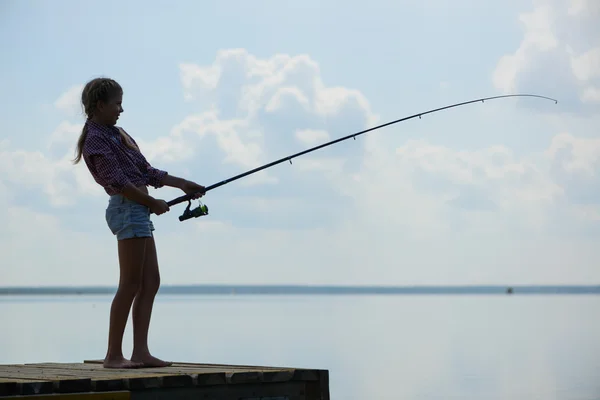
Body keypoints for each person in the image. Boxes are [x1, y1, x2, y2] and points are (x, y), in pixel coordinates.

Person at [72, 77, 206, 369]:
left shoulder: (117, 134)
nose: (121, 109)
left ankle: (140, 352)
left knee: (150, 281)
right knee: (130, 283)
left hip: (138, 210)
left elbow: (146, 171)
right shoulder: (95, 139)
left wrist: (182, 184)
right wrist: (151, 203)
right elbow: (118, 182)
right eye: (117, 103)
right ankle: (113, 356)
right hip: (128, 208)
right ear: (100, 105)